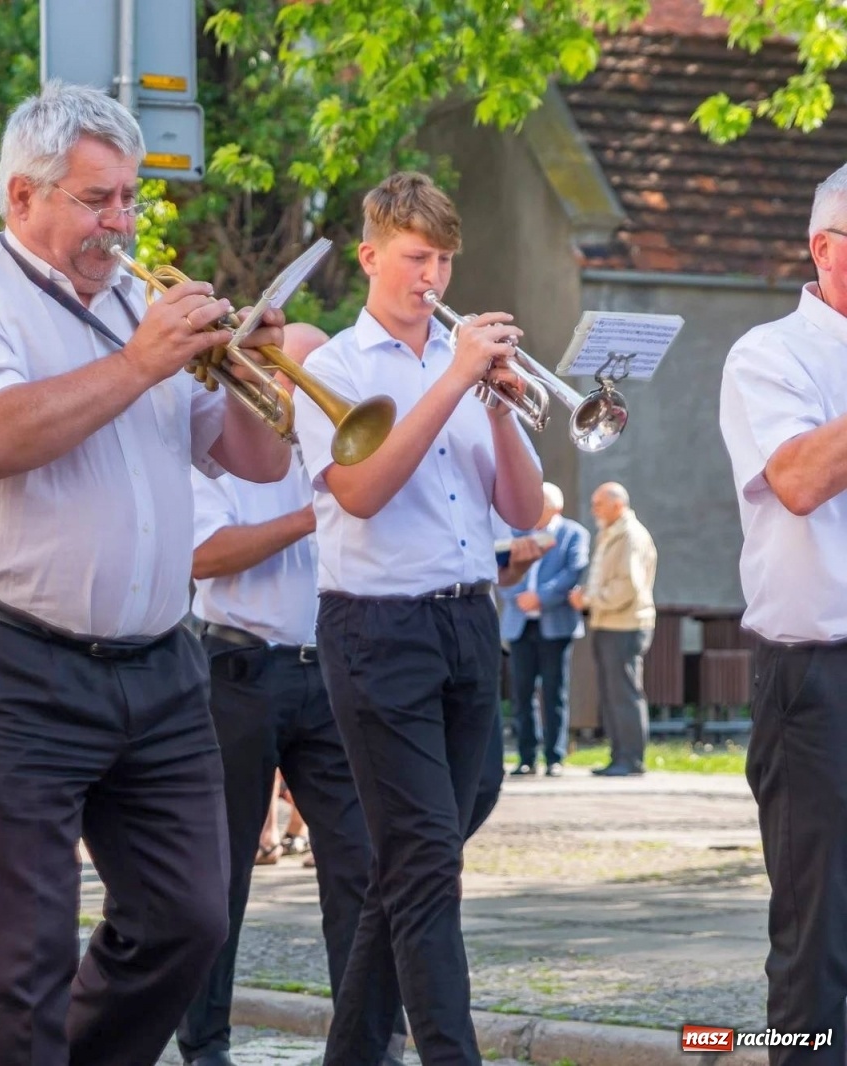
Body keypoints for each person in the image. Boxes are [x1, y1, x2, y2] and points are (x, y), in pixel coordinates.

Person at [0, 82, 290, 1065]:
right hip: (8, 662)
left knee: (189, 918)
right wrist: (143, 362)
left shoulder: (137, 305)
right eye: (97, 199)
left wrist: (262, 373)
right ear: (22, 196)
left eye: (130, 198)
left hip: (158, 665)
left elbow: (252, 459)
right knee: (19, 961)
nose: (121, 221)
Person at [295, 171, 543, 1065]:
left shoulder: (463, 367)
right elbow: (360, 492)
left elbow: (523, 511)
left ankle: (353, 1053)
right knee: (429, 862)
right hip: (376, 630)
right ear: (370, 257)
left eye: (443, 259)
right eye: (414, 257)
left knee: (422, 851)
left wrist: (501, 411)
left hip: (468, 622)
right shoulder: (332, 370)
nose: (431, 277)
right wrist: (453, 381)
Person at [176, 325, 378, 1066]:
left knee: (361, 869)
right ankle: (205, 1045)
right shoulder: (219, 449)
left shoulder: (343, 454)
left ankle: (364, 1046)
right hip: (239, 668)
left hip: (331, 671)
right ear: (267, 375)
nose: (316, 387)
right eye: (302, 370)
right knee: (220, 871)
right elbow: (203, 555)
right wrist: (310, 515)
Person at [720, 161, 847, 1065]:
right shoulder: (770, 354)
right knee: (818, 938)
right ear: (824, 249)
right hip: (818, 676)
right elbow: (799, 480)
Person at [496, 482, 589, 777]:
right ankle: (526, 757)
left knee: (554, 692)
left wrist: (541, 597)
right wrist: (519, 596)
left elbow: (573, 571)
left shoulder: (573, 533)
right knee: (522, 693)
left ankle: (554, 758)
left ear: (556, 507)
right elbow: (500, 569)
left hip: (555, 624)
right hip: (520, 624)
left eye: (541, 502)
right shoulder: (516, 533)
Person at [568, 483, 656, 777]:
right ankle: (620, 756)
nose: (594, 509)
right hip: (609, 623)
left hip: (625, 625)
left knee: (623, 693)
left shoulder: (629, 535)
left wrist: (590, 599)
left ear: (618, 505)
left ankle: (630, 759)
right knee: (612, 693)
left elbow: (627, 587)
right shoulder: (612, 532)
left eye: (599, 504)